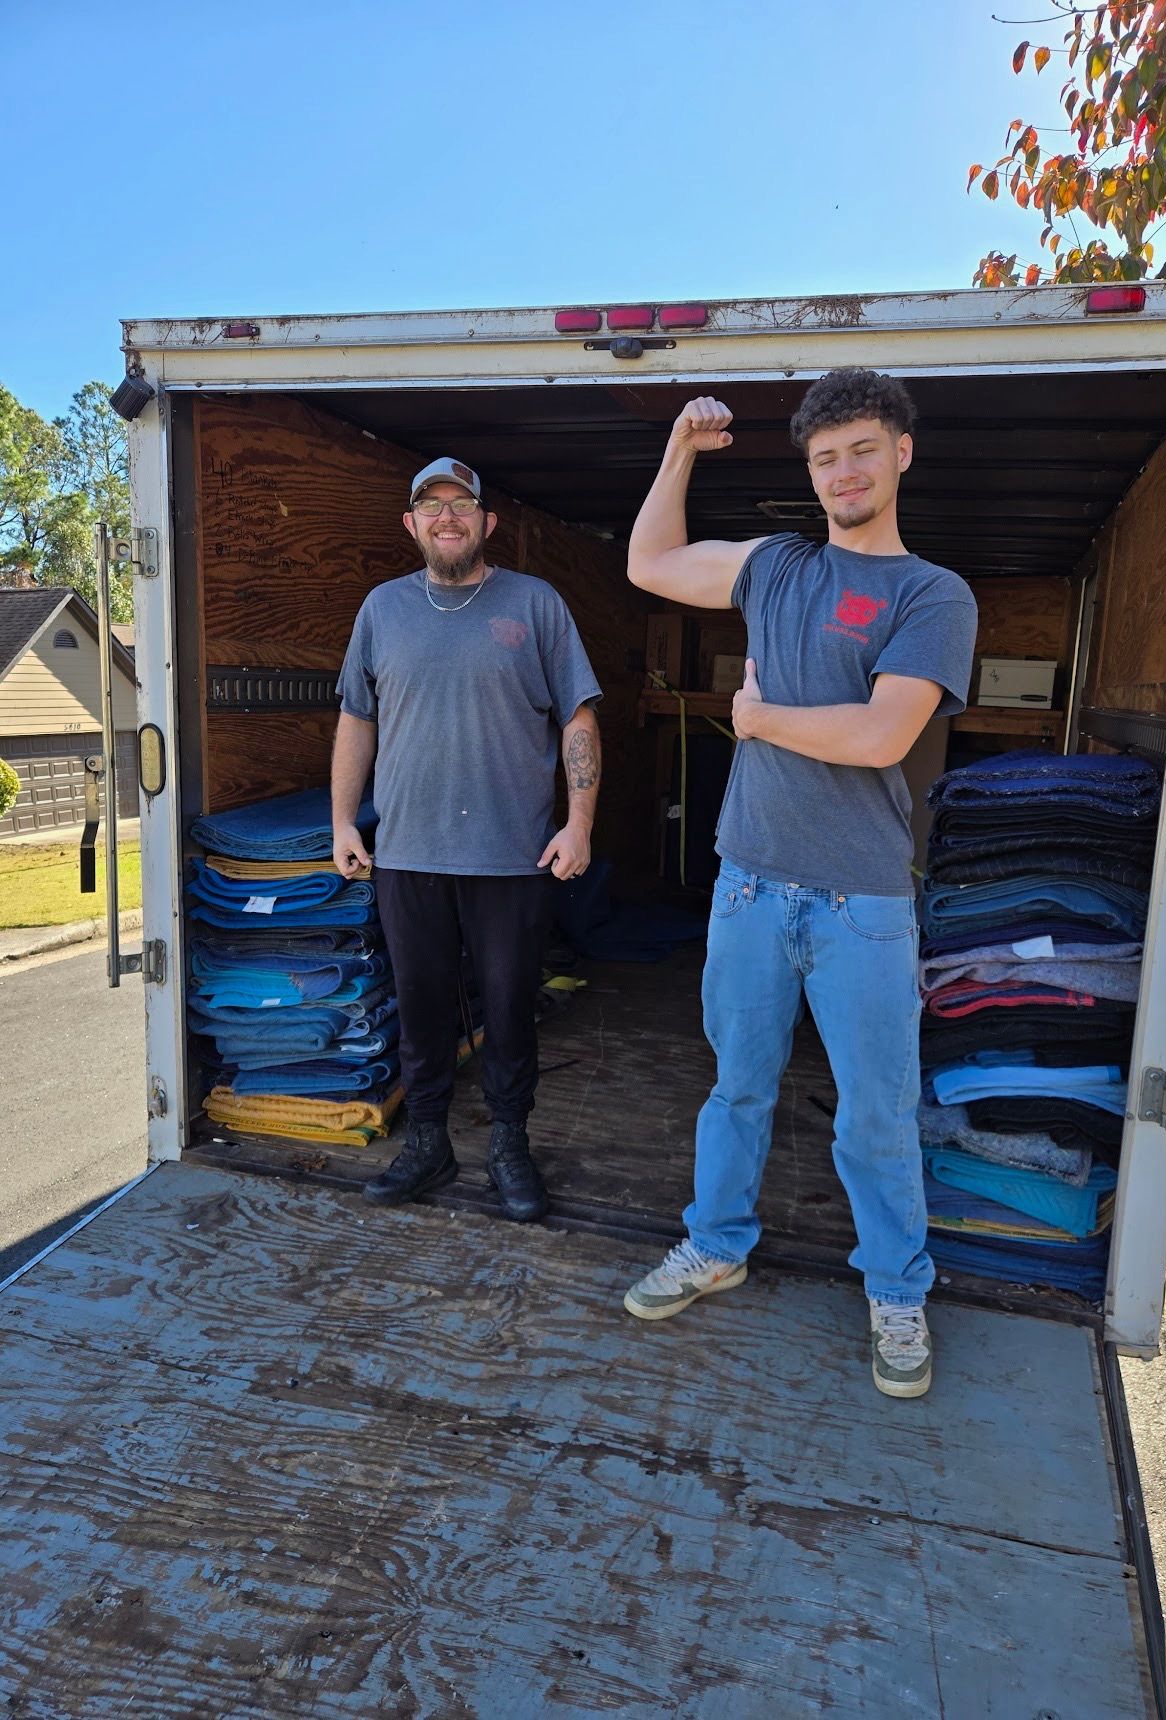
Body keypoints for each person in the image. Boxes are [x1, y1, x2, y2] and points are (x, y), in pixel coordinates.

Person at [622, 371, 977, 1398]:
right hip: (748, 890)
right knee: (735, 1087)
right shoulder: (774, 566)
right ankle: (716, 1243)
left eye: (862, 449)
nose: (844, 471)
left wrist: (759, 718)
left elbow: (880, 734)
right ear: (809, 472)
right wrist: (681, 449)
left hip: (863, 904)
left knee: (876, 1111)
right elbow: (649, 562)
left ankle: (897, 1290)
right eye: (825, 457)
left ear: (901, 452)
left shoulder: (931, 594)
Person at [333, 456, 603, 1222]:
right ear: (412, 525)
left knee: (512, 1008)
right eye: (431, 505)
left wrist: (578, 823)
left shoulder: (536, 603)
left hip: (511, 855)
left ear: (487, 523)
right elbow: (358, 718)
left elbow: (579, 716)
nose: (447, 517)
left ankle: (510, 1144)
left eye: (462, 505)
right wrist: (343, 820)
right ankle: (428, 1143)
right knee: (419, 1008)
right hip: (408, 852)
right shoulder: (381, 610)